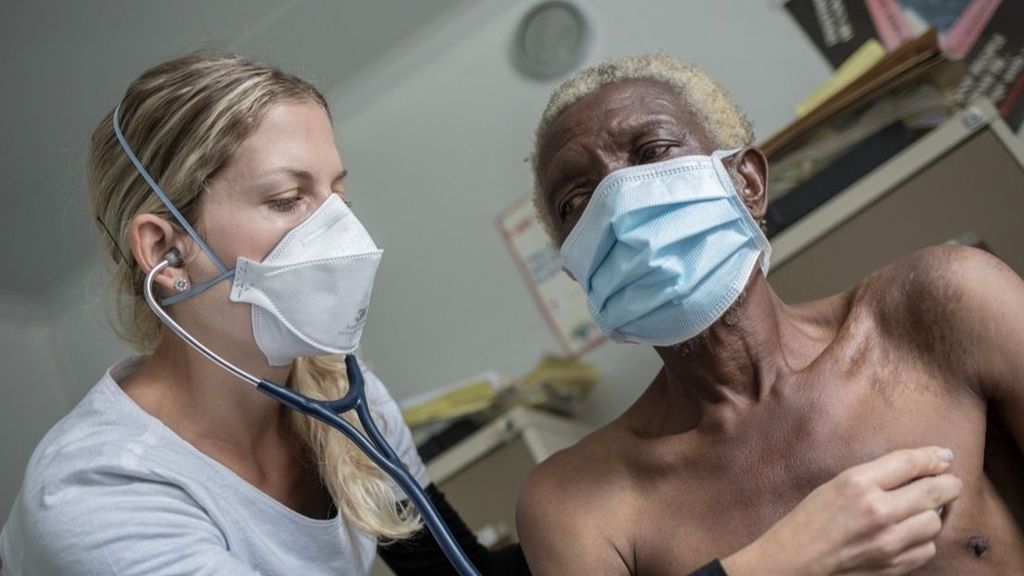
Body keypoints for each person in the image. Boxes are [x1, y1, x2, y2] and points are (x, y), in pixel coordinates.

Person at [0, 52, 961, 576]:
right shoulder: (98, 498)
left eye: (337, 191)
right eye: (289, 200)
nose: (340, 230)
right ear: (164, 253)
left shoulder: (340, 394)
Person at [517, 52, 1024, 575]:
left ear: (749, 184)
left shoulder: (946, 307)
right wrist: (783, 562)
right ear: (579, 269)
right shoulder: (579, 502)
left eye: (653, 152)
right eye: (575, 201)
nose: (618, 206)